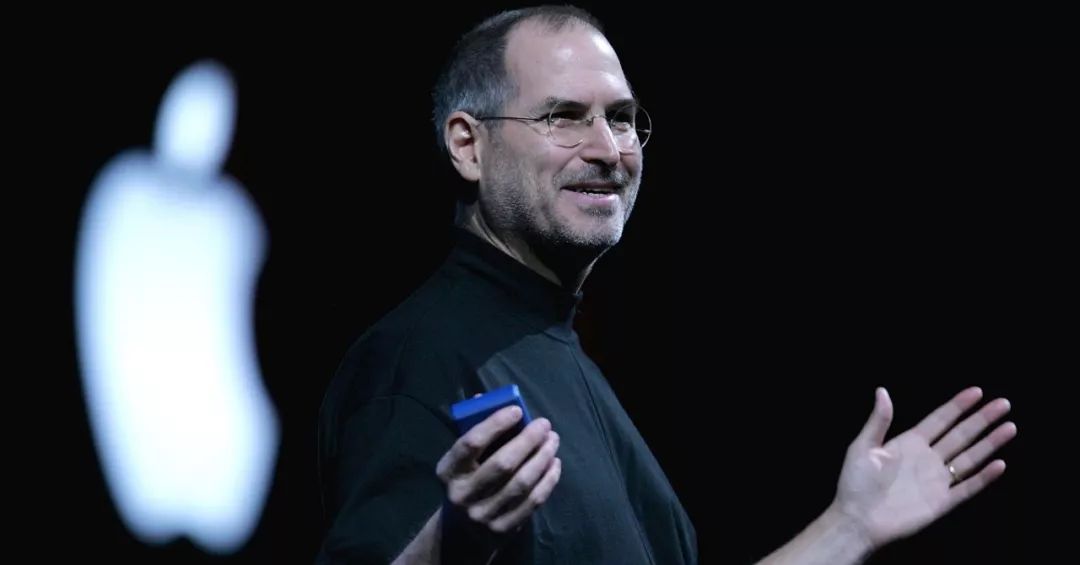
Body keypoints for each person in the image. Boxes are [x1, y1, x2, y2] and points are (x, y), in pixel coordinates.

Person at [315, 6, 1017, 564]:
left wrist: (850, 525)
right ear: (469, 145)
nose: (608, 150)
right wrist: (448, 546)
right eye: (563, 117)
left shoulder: (561, 357)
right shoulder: (418, 361)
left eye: (621, 118)